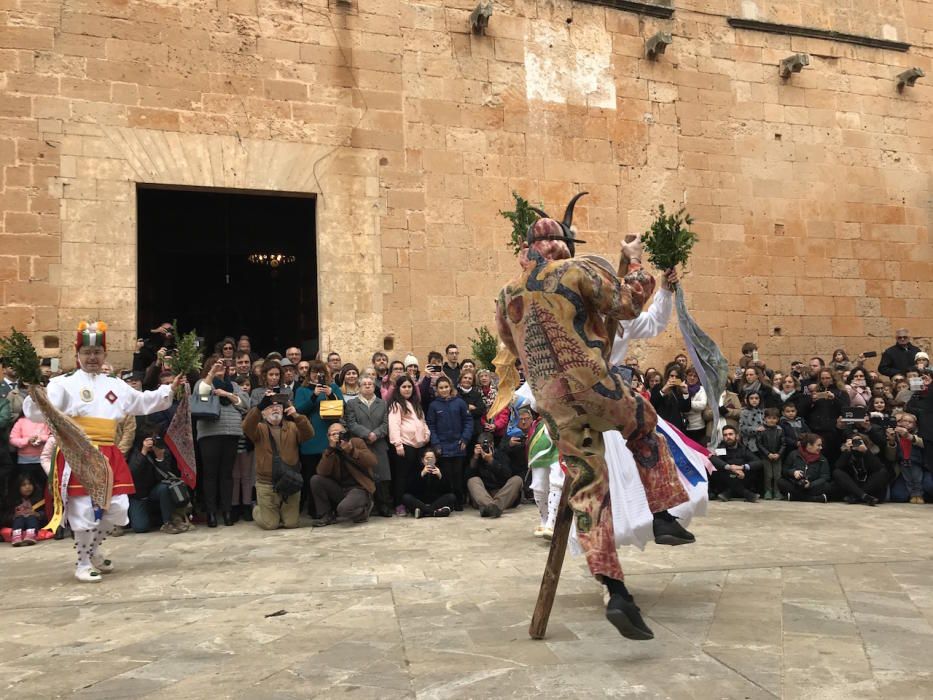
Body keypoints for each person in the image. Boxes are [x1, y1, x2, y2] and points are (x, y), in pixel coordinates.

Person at [496, 194, 688, 640]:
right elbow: (628, 302)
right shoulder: (576, 270)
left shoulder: (506, 295)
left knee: (587, 488)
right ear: (562, 245)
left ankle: (615, 588)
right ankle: (661, 514)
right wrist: (637, 264)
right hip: (593, 384)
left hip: (554, 403)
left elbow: (509, 344)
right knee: (643, 423)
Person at [22, 320, 182, 582]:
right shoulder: (63, 383)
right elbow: (41, 411)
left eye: (97, 352)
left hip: (109, 452)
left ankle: (94, 551)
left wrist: (169, 389)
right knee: (83, 510)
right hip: (79, 452)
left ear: (104, 354)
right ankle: (83, 562)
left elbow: (141, 403)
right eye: (87, 352)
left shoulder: (115, 384)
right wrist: (35, 392)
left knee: (118, 508)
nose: (92, 357)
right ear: (78, 355)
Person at [242, 395, 313, 530]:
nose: (275, 409)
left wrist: (297, 416)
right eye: (270, 407)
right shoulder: (258, 428)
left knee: (291, 524)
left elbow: (309, 434)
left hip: (289, 481)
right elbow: (247, 426)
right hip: (267, 483)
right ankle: (257, 510)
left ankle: (280, 513)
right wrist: (258, 408)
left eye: (278, 407)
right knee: (270, 525)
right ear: (263, 413)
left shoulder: (292, 426)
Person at [194, 356, 249, 527]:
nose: (220, 368)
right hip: (209, 433)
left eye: (222, 366)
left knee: (227, 474)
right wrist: (211, 373)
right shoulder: (204, 382)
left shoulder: (233, 386)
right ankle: (211, 512)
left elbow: (244, 403)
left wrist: (226, 394)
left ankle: (227, 511)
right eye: (215, 365)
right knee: (210, 474)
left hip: (231, 432)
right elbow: (201, 393)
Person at [294, 360, 343, 516]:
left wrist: (330, 394)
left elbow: (341, 408)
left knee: (330, 475)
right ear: (309, 374)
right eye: (314, 372)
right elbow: (299, 411)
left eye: (321, 372)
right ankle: (315, 509)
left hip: (329, 438)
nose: (317, 375)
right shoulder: (302, 390)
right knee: (311, 475)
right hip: (310, 439)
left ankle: (334, 508)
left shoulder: (333, 388)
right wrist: (314, 396)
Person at [310, 423, 377, 526]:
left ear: (346, 433)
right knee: (316, 480)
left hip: (359, 488)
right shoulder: (329, 450)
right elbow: (322, 472)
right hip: (341, 489)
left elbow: (372, 461)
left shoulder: (356, 442)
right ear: (328, 437)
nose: (337, 436)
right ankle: (326, 515)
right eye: (333, 434)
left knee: (343, 510)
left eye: (340, 433)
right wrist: (331, 450)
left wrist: (351, 450)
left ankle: (363, 512)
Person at [344, 377, 392, 517]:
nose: (367, 386)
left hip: (379, 444)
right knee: (365, 476)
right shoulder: (352, 403)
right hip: (361, 444)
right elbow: (351, 423)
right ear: (359, 387)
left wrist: (376, 434)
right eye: (364, 384)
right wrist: (366, 434)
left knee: (382, 477)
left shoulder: (382, 403)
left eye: (370, 384)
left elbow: (386, 423)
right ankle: (367, 506)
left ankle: (384, 505)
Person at [426, 375, 472, 510]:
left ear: (450, 388)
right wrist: (436, 444)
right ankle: (448, 501)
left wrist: (465, 438)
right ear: (437, 390)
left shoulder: (459, 402)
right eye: (441, 388)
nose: (444, 390)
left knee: (458, 475)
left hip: (459, 445)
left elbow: (468, 421)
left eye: (446, 387)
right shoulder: (434, 405)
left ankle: (459, 501)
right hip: (442, 446)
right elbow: (431, 425)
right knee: (446, 475)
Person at [127, 433, 190, 534]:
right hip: (138, 495)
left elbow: (165, 476)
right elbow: (133, 472)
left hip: (154, 491)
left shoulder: (162, 451)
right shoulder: (135, 451)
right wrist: (143, 452)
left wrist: (160, 459)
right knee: (140, 527)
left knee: (165, 488)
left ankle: (167, 522)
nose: (152, 444)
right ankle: (153, 518)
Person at [387, 375, 431, 516]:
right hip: (405, 445)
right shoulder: (396, 404)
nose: (407, 389)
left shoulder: (416, 403)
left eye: (409, 386)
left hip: (419, 445)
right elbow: (394, 426)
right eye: (404, 387)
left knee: (415, 476)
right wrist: (397, 444)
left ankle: (414, 502)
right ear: (398, 389)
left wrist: (427, 434)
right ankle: (399, 504)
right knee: (402, 477)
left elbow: (423, 422)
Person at [465, 434, 524, 518]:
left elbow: (507, 474)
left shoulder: (500, 454)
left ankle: (491, 507)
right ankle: (492, 506)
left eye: (486, 445)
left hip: (501, 493)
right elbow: (468, 476)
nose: (484, 448)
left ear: (492, 444)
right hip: (484, 495)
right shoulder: (476, 457)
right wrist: (475, 457)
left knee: (517, 480)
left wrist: (491, 461)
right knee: (472, 480)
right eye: (482, 446)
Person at [804, 368, 848, 465]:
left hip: (833, 431)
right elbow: (804, 411)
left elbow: (846, 409)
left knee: (832, 458)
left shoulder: (841, 392)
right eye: (822, 378)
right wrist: (811, 401)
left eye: (827, 378)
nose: (825, 380)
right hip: (816, 430)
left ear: (833, 379)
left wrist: (834, 398)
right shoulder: (815, 392)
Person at [832, 433, 888, 506]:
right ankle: (863, 496)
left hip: (870, 486)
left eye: (859, 441)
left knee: (883, 472)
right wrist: (847, 451)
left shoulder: (870, 452)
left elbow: (878, 468)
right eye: (854, 442)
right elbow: (838, 467)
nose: (856, 443)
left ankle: (857, 496)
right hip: (852, 485)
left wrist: (866, 451)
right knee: (837, 472)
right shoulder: (847, 452)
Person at [709, 426, 761, 502]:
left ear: (736, 436)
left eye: (730, 434)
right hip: (727, 478)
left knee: (753, 469)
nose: (728, 437)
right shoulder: (721, 449)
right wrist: (730, 468)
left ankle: (729, 493)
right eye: (725, 435)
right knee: (719, 470)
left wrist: (742, 467)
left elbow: (758, 462)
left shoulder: (743, 449)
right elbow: (714, 459)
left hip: (742, 477)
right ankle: (747, 494)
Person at [885, 412, 926, 504]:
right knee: (908, 479)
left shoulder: (920, 432)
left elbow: (924, 444)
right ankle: (912, 495)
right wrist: (891, 441)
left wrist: (909, 436)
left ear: (915, 424)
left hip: (917, 462)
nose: (907, 423)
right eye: (904, 421)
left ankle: (919, 495)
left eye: (910, 422)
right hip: (902, 463)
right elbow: (890, 457)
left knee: (917, 478)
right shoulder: (894, 434)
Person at [402, 447, 455, 518]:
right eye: (427, 458)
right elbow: (409, 489)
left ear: (435, 460)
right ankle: (434, 512)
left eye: (432, 458)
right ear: (422, 460)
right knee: (406, 497)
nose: (429, 460)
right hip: (420, 501)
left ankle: (423, 512)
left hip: (436, 501)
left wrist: (440, 476)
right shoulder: (416, 469)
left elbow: (449, 490)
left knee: (452, 497)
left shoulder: (441, 469)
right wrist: (421, 474)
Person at [779, 433, 832, 502]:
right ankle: (815, 499)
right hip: (797, 485)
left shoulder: (822, 459)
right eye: (818, 445)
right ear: (809, 445)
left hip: (813, 486)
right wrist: (793, 472)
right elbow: (784, 471)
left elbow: (825, 477)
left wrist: (810, 484)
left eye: (821, 445)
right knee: (781, 482)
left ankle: (796, 497)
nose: (821, 448)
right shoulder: (793, 454)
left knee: (828, 486)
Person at [8, 414, 51, 493]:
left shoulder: (46, 420)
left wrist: (41, 438)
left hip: (44, 461)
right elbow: (13, 439)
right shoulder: (21, 421)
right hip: (25, 462)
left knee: (45, 487)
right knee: (26, 487)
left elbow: (53, 437)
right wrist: (27, 440)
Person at [5, 473, 45, 546]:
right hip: (18, 522)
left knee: (31, 517)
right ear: (18, 487)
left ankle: (31, 535)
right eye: (24, 485)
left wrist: (37, 514)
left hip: (34, 522)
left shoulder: (38, 498)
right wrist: (14, 516)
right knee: (19, 518)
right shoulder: (13, 500)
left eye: (30, 484)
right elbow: (5, 516)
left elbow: (48, 513)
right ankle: (16, 536)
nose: (27, 487)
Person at [650, 362, 690, 432]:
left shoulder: (680, 389)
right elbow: (652, 404)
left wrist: (685, 393)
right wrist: (663, 390)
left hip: (676, 427)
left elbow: (686, 409)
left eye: (677, 377)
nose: (674, 378)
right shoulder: (658, 387)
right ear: (667, 376)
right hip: (663, 425)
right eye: (671, 376)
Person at [758, 408, 785, 499]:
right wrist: (768, 454)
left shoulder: (780, 430)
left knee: (777, 475)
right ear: (765, 418)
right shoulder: (761, 430)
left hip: (778, 456)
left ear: (778, 419)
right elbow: (759, 444)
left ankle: (777, 491)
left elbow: (783, 444)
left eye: (774, 418)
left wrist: (779, 454)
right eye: (769, 418)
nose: (771, 420)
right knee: (768, 475)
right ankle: (768, 491)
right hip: (766, 457)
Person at [682, 366, 707, 445]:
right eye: (690, 375)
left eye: (695, 376)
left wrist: (687, 403)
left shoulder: (702, 389)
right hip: (684, 426)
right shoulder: (681, 388)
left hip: (698, 426)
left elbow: (702, 405)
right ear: (686, 376)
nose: (692, 378)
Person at [738, 391, 765, 455]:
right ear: (747, 400)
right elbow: (742, 428)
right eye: (751, 398)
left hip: (764, 443)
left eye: (756, 398)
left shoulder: (764, 411)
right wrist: (755, 429)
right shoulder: (744, 412)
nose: (754, 400)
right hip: (750, 443)